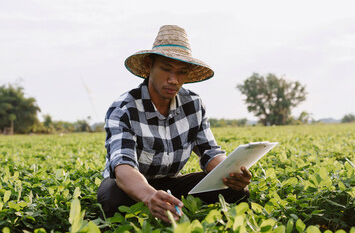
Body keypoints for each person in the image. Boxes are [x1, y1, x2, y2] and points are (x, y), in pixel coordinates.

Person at [97, 25, 252, 223]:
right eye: (166, 69)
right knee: (113, 198)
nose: (173, 80)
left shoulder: (193, 104)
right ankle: (157, 205)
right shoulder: (124, 108)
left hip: (170, 183)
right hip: (129, 184)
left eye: (181, 72)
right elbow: (123, 167)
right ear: (149, 66)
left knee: (236, 190)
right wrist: (148, 196)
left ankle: (168, 205)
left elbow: (210, 152)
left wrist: (231, 171)